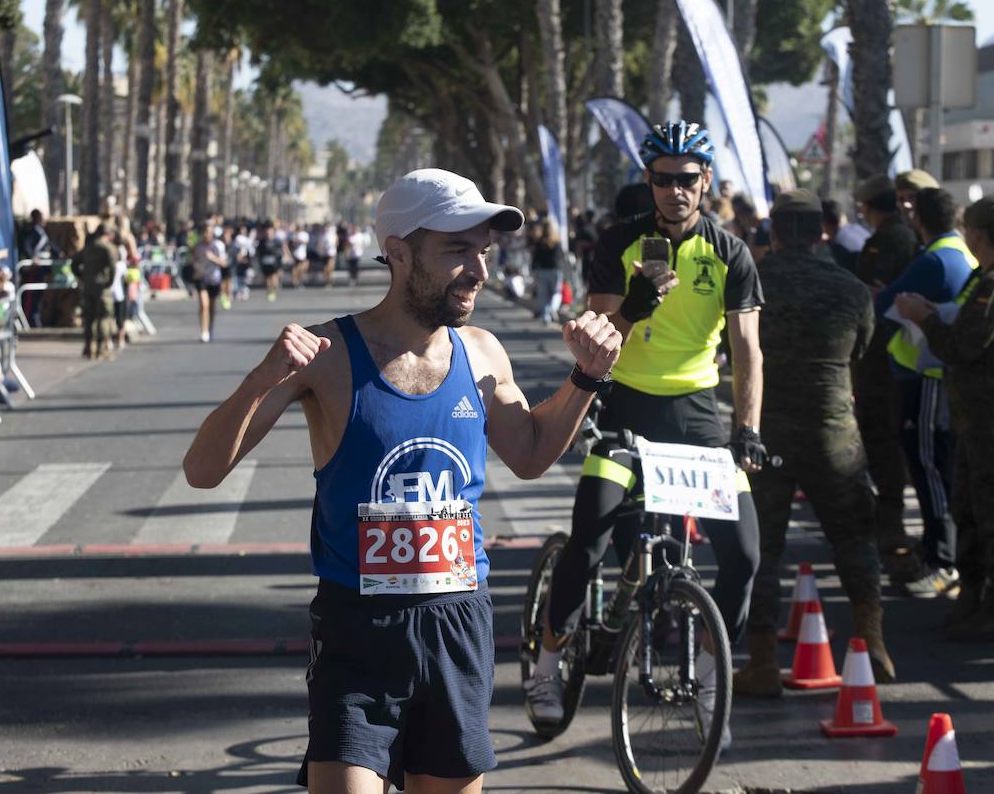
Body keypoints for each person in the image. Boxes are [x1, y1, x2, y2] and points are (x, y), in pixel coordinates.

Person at [184, 168, 621, 794]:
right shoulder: (327, 355)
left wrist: (586, 378)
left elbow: (528, 454)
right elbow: (203, 471)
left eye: (483, 252)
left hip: (456, 624)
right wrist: (261, 378)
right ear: (397, 251)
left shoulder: (482, 352)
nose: (479, 270)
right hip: (358, 630)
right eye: (456, 250)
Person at [533, 121, 765, 749]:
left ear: (705, 183)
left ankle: (714, 677)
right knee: (587, 541)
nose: (675, 191)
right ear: (649, 182)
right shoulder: (617, 242)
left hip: (695, 417)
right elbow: (595, 337)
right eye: (662, 179)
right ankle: (548, 665)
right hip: (623, 408)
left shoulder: (730, 253)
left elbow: (747, 350)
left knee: (744, 554)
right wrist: (633, 305)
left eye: (687, 179)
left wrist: (747, 430)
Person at [736, 189, 892, 695]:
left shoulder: (755, 283)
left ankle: (761, 662)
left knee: (765, 548)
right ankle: (874, 643)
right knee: (854, 539)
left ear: (774, 232)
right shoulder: (851, 289)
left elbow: (732, 349)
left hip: (768, 432)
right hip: (834, 431)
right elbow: (864, 352)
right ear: (823, 230)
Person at [895, 194, 994, 643]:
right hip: (978, 414)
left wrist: (926, 319)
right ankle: (974, 598)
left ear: (977, 234)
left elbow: (963, 346)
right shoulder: (990, 278)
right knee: (970, 511)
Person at [874, 186, 978, 598]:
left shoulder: (936, 259)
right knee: (941, 467)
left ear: (919, 219)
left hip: (930, 379)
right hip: (947, 379)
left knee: (930, 465)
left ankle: (941, 561)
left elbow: (884, 304)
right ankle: (944, 555)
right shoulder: (964, 255)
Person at [851, 175, 918, 574]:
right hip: (882, 356)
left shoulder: (890, 239)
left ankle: (890, 521)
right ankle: (887, 518)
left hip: (886, 357)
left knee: (883, 436)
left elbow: (879, 295)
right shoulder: (897, 236)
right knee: (880, 435)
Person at [71, 224, 118, 360]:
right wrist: (109, 281)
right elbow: (112, 267)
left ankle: (88, 348)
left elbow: (74, 263)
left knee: (89, 318)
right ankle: (101, 349)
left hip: (88, 287)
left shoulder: (89, 247)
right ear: (108, 234)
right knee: (104, 317)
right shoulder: (108, 248)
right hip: (102, 288)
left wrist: (82, 276)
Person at [192, 225, 228, 343]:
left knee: (211, 307)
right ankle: (204, 331)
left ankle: (210, 327)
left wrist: (213, 258)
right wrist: (195, 267)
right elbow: (193, 260)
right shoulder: (198, 246)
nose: (206, 235)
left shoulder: (218, 246)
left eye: (209, 233)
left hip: (214, 279)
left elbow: (224, 263)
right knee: (204, 305)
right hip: (201, 278)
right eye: (204, 232)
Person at [529, 219, 566, 325]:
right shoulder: (557, 242)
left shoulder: (539, 242)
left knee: (543, 294)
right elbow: (561, 256)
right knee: (556, 292)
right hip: (555, 270)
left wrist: (533, 269)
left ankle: (546, 317)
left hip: (542, 271)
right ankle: (553, 308)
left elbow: (535, 258)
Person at [255, 222, 284, 301]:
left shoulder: (277, 241)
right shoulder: (261, 242)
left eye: (270, 231)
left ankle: (273, 290)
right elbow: (258, 254)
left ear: (272, 231)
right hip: (265, 263)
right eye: (266, 231)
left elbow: (280, 253)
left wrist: (280, 266)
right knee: (267, 279)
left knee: (274, 280)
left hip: (274, 263)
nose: (268, 233)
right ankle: (269, 292)